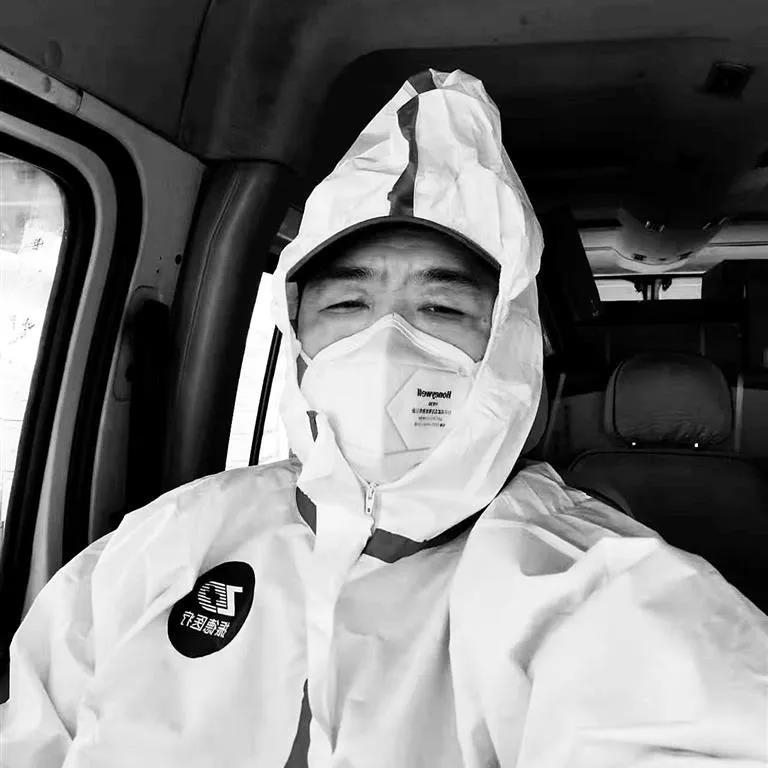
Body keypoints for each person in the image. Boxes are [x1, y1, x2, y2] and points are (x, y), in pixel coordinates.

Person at [1, 68, 766, 768]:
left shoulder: (585, 583)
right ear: (297, 335)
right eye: (346, 303)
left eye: (442, 307)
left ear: (509, 348)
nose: (386, 342)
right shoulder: (161, 542)